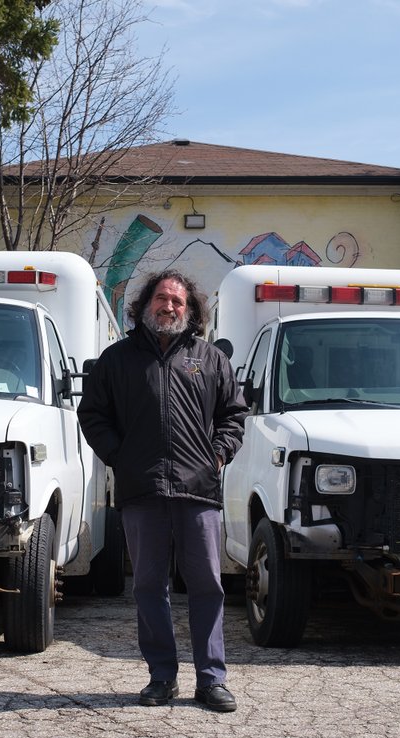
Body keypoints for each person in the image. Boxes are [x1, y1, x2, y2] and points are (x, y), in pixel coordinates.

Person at [78, 270, 248, 712]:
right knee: (149, 586)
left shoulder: (210, 360)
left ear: (189, 310)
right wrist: (120, 456)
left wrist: (217, 455)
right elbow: (92, 414)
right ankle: (162, 676)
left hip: (198, 490)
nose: (168, 306)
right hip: (142, 490)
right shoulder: (117, 359)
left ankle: (211, 680)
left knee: (207, 584)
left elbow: (234, 415)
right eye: (161, 298)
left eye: (177, 301)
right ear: (145, 304)